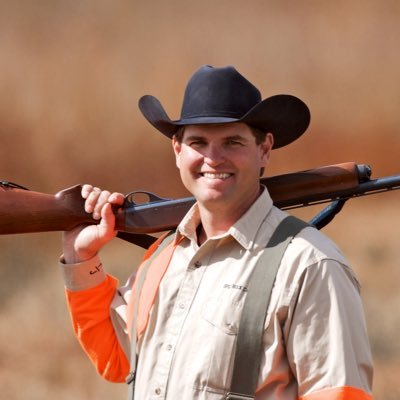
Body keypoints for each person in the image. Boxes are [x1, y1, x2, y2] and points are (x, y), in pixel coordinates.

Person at [60, 65, 374, 399]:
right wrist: (82, 256)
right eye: (198, 142)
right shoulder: (164, 256)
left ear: (264, 149)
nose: (213, 158)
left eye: (232, 142)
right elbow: (118, 358)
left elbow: (340, 393)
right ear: (177, 150)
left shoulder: (310, 265)